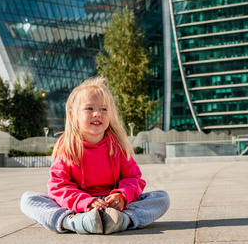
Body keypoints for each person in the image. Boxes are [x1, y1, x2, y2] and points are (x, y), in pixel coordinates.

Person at [20, 76, 170, 234]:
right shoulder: (68, 148)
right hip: (78, 207)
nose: (97, 113)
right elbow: (59, 186)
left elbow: (133, 179)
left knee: (161, 198)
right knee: (28, 200)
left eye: (104, 109)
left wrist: (122, 196)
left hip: (112, 206)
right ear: (73, 114)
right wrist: (85, 202)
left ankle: (121, 220)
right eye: (89, 108)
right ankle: (76, 222)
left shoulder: (117, 146)